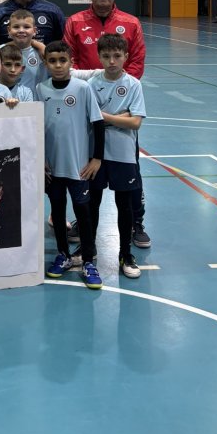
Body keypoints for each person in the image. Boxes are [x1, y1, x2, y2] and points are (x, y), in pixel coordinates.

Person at [62, 0, 150, 249]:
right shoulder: (74, 22)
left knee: (129, 168)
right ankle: (84, 221)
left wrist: (121, 104)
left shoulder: (131, 23)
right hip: (86, 112)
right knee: (88, 169)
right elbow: (69, 63)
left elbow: (136, 64)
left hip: (122, 112)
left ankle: (136, 221)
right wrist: (90, 103)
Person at [37, 40, 104, 289]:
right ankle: (63, 255)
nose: (57, 65)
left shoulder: (83, 88)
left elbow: (98, 124)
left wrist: (96, 158)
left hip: (79, 167)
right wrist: (40, 158)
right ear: (46, 63)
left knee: (83, 214)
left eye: (62, 60)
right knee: (57, 211)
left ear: (71, 62)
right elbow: (35, 127)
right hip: (52, 168)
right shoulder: (40, 89)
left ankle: (88, 260)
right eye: (52, 61)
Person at [87, 34, 146, 279]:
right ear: (99, 57)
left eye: (117, 56)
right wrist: (118, 117)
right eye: (106, 56)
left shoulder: (133, 84)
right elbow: (87, 119)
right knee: (92, 205)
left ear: (126, 57)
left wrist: (105, 117)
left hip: (123, 155)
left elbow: (134, 123)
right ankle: (89, 250)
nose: (112, 61)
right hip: (96, 154)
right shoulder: (90, 83)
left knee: (125, 206)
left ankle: (125, 253)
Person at [5, 8, 48, 94]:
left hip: (36, 104)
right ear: (9, 30)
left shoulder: (44, 53)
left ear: (34, 31)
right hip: (6, 104)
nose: (21, 30)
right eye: (16, 27)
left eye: (26, 27)